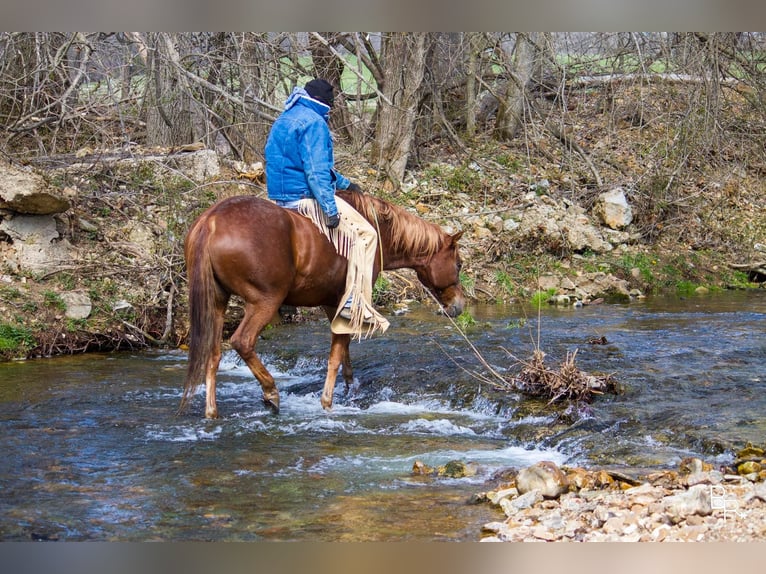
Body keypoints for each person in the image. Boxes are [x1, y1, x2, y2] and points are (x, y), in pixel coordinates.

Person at [264, 78, 389, 338]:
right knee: (367, 235)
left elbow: (295, 162)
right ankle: (355, 303)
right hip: (303, 198)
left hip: (279, 197)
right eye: (331, 106)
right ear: (325, 104)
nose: (330, 111)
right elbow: (315, 172)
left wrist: (345, 183)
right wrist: (330, 209)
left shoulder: (287, 116)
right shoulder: (315, 122)